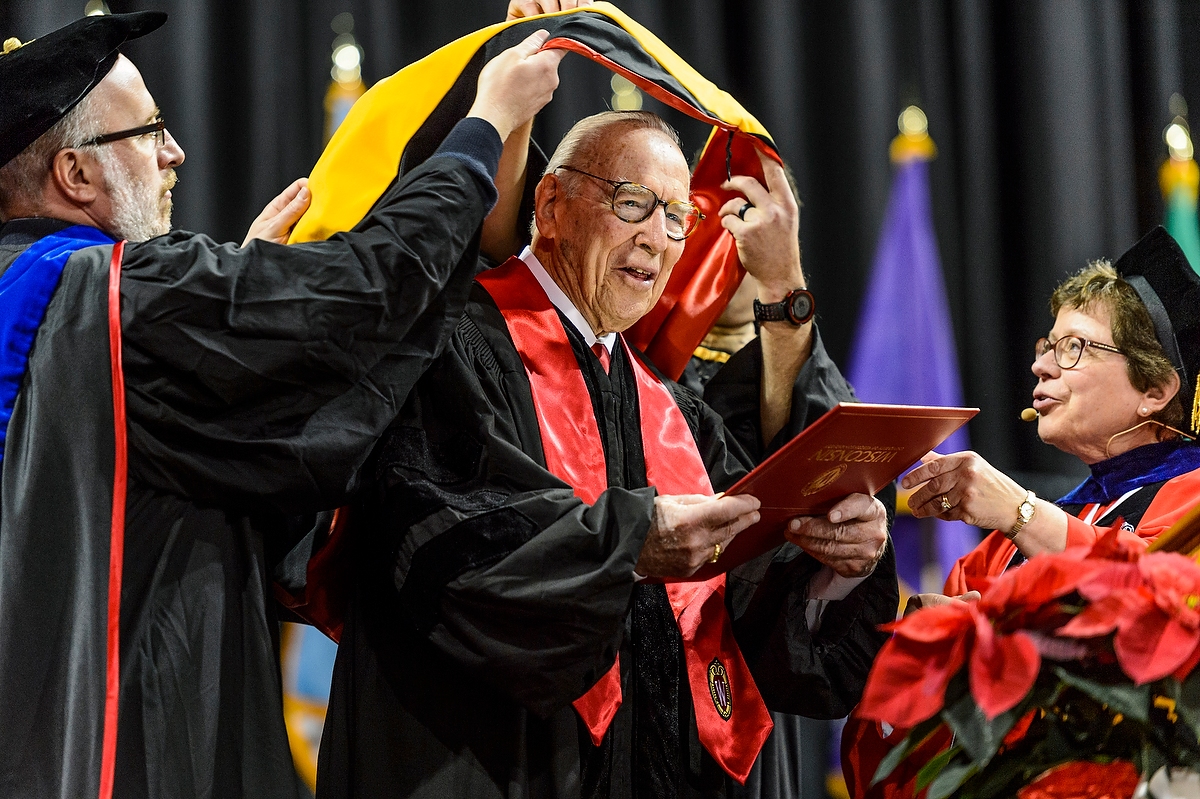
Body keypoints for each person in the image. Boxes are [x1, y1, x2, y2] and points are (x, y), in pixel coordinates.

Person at [0, 11, 564, 798]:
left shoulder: (32, 293)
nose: (175, 152)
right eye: (149, 130)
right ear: (76, 175)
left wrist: (245, 285)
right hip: (133, 741)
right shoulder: (113, 292)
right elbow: (365, 294)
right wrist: (483, 127)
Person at [316, 109, 898, 799]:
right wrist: (631, 542)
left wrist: (838, 565)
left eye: (677, 216)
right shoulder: (453, 351)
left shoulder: (675, 412)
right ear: (551, 205)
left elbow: (757, 604)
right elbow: (458, 551)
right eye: (632, 204)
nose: (657, 237)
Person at [842, 225, 1200, 799]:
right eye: (1046, 346)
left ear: (1154, 388)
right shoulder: (1005, 545)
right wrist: (938, 641)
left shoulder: (1192, 503)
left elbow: (1165, 598)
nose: (1041, 367)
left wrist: (1020, 511)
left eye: (1073, 347)